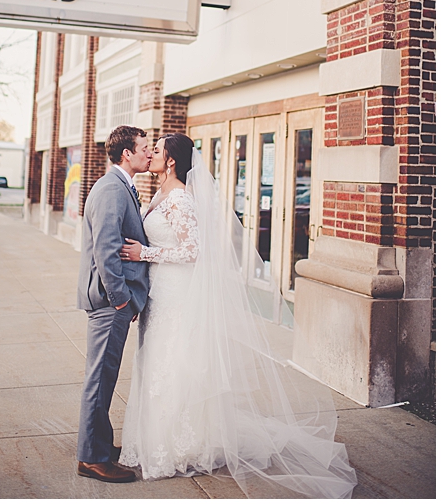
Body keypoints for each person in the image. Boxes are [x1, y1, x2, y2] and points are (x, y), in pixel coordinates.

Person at [118, 133, 357, 498]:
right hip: (159, 293)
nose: (150, 154)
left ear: (171, 162)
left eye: (158, 151)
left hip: (178, 293)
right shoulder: (159, 195)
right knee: (156, 362)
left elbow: (194, 251)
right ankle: (155, 437)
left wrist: (144, 256)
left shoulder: (180, 198)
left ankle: (180, 447)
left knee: (176, 361)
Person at [75, 125, 152, 484]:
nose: (149, 153)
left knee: (105, 376)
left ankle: (100, 444)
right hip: (109, 303)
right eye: (144, 148)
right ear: (127, 154)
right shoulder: (111, 189)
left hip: (113, 302)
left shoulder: (120, 187)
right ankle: (92, 458)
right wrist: (122, 300)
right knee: (100, 379)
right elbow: (106, 250)